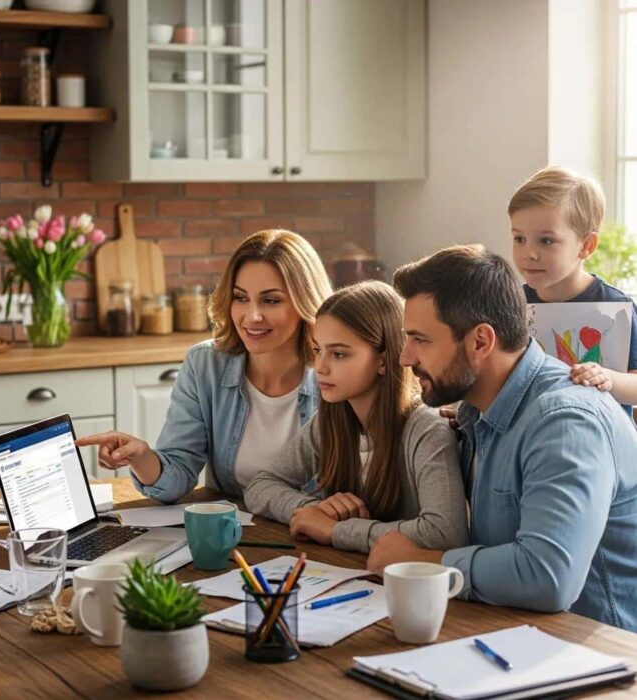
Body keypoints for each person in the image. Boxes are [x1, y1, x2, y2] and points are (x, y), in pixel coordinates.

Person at [367, 244, 637, 631]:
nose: (404, 358)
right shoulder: (475, 411)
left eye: (420, 340)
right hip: (515, 634)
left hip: (600, 663)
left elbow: (548, 578)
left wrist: (428, 562)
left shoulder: (565, 422)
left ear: (480, 342)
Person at [76, 229, 333, 502]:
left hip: (314, 534)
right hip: (235, 534)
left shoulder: (334, 372)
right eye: (241, 298)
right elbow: (179, 474)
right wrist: (142, 456)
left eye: (271, 300)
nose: (252, 316)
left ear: (306, 302)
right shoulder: (206, 365)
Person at [244, 281, 469, 553]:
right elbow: (260, 487)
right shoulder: (328, 423)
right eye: (318, 350)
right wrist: (315, 510)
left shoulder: (427, 430)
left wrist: (336, 530)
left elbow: (444, 533)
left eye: (339, 354)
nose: (320, 367)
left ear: (385, 361)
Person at [509, 165, 637, 420]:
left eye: (546, 241)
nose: (528, 253)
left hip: (600, 441)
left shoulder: (616, 307)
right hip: (531, 440)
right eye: (519, 239)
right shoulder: (510, 304)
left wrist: (609, 378)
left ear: (586, 246)